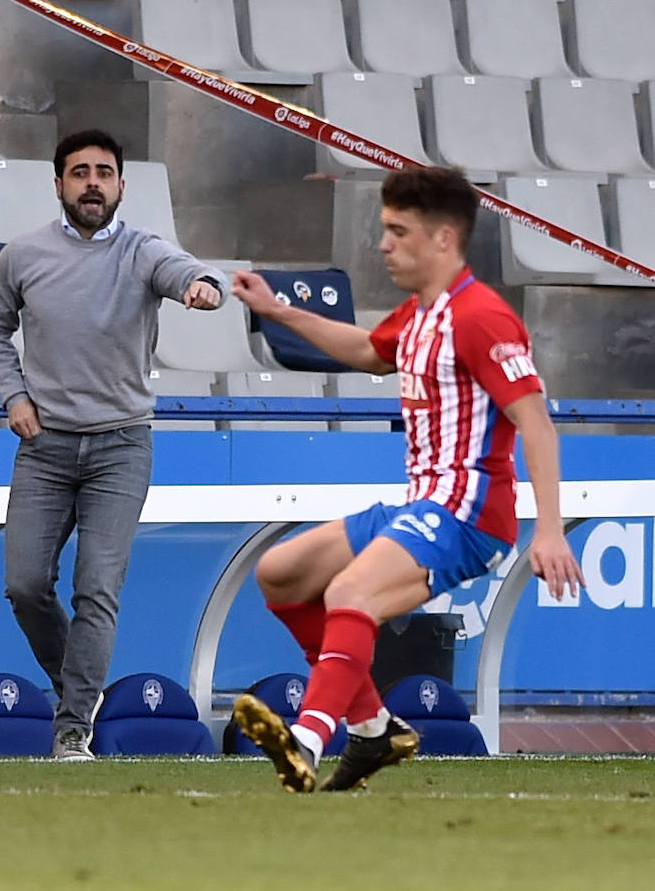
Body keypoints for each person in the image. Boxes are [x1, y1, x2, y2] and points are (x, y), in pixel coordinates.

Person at [228, 166, 585, 792]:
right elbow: (368, 350)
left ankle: (307, 740)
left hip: (468, 513)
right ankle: (373, 733)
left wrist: (548, 531)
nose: (384, 245)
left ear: (443, 239)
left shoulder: (482, 317)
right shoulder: (422, 313)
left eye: (397, 231)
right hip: (423, 506)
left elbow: (536, 423)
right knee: (279, 574)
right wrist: (276, 310)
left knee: (349, 593)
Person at [0, 129, 226, 760]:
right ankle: (77, 689)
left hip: (120, 447)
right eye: (80, 172)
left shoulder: (142, 251)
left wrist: (204, 287)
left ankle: (73, 728)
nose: (92, 183)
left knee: (96, 587)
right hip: (46, 446)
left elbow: (187, 270)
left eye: (104, 173)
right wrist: (14, 396)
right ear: (58, 184)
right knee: (25, 584)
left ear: (120, 186)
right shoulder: (24, 255)